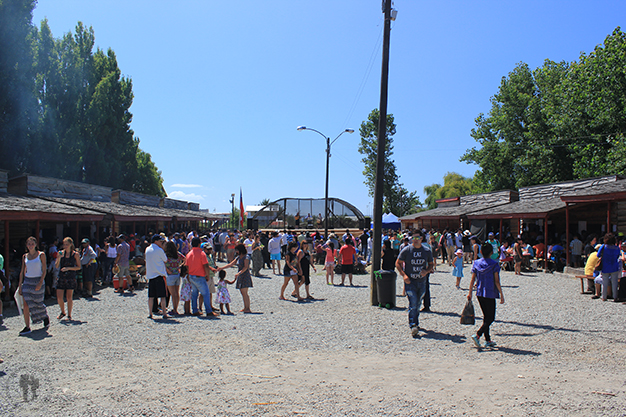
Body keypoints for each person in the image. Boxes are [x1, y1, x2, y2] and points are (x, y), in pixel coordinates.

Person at [395, 230, 434, 338]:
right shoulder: (407, 250)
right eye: (413, 238)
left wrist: (426, 271)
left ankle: (415, 321)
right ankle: (413, 325)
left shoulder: (426, 251)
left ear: (422, 238)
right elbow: (398, 263)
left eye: (417, 238)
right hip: (410, 281)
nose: (415, 240)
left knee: (418, 303)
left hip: (422, 282)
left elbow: (431, 264)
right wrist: (403, 275)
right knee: (413, 302)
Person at [467, 243, 505, 348]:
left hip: (479, 292)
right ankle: (478, 334)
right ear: (491, 252)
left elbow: (472, 279)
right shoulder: (494, 264)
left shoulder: (476, 263)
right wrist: (501, 294)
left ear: (481, 252)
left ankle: (487, 340)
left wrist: (469, 292)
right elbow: (497, 281)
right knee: (491, 318)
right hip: (490, 292)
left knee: (486, 317)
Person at [18, 237, 50, 335]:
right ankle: (27, 326)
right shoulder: (25, 256)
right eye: (29, 244)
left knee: (37, 302)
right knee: (26, 304)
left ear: (35, 244)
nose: (30, 246)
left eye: (32, 244)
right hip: (28, 281)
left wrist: (40, 282)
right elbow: (23, 271)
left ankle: (44, 315)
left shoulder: (41, 255)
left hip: (38, 279)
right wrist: (20, 285)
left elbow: (44, 269)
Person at [185, 237, 216, 316]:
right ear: (199, 244)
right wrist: (207, 275)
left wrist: (188, 275)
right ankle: (208, 311)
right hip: (200, 276)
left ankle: (195, 310)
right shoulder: (201, 253)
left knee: (194, 294)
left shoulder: (189, 254)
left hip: (192, 276)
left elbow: (187, 266)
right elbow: (205, 265)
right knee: (206, 294)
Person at [222, 243, 253, 312]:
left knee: (245, 292)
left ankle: (248, 308)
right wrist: (221, 268)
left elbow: (246, 267)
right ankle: (245, 307)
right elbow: (231, 264)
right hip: (240, 275)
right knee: (242, 292)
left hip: (245, 275)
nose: (236, 251)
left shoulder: (246, 257)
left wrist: (239, 273)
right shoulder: (238, 257)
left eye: (237, 250)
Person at [55, 237, 81, 321]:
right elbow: (56, 266)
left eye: (66, 244)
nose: (65, 246)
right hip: (61, 277)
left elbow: (79, 267)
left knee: (69, 297)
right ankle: (63, 312)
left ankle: (69, 314)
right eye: (64, 244)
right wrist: (59, 257)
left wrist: (68, 268)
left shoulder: (75, 254)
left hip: (70, 277)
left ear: (70, 244)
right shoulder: (61, 253)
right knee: (59, 297)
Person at [145, 235, 169, 319]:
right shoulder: (159, 250)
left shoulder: (147, 249)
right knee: (162, 296)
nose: (161, 243)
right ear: (156, 241)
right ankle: (164, 313)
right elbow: (165, 260)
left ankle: (150, 313)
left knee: (151, 296)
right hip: (159, 275)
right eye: (160, 241)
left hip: (151, 275)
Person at [597, 233, 622, 302]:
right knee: (614, 283)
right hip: (614, 266)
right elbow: (617, 256)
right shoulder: (617, 248)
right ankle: (615, 297)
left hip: (605, 266)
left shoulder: (603, 246)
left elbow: (598, 255)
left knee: (605, 282)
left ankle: (604, 297)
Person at [164, 240, 185, 315]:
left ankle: (174, 310)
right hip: (177, 274)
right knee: (176, 293)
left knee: (173, 294)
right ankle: (175, 309)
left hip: (170, 275)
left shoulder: (166, 255)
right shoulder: (177, 254)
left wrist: (167, 270)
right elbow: (185, 259)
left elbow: (163, 263)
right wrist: (180, 266)